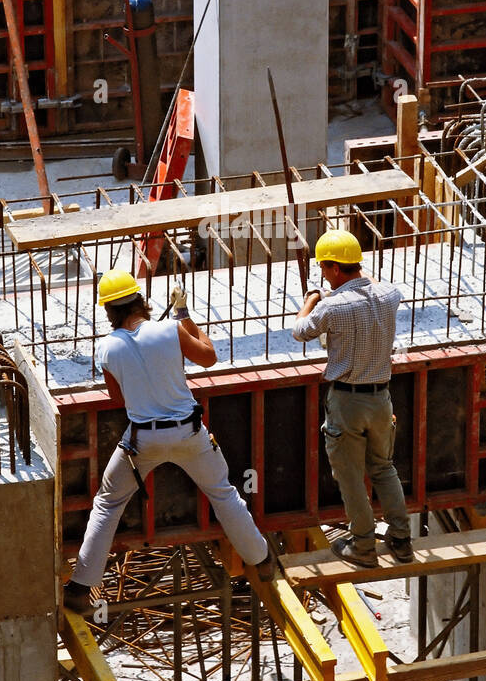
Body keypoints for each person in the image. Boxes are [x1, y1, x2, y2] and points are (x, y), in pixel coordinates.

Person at [64, 271, 274, 611]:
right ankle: (261, 559)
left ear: (109, 311)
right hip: (189, 433)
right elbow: (209, 356)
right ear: (139, 301)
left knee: (107, 504)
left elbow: (119, 399)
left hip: (141, 440)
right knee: (223, 493)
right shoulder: (169, 330)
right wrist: (184, 317)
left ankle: (80, 587)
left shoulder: (105, 348)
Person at [291, 229, 413, 567]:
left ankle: (363, 546)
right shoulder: (388, 294)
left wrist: (310, 300)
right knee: (383, 468)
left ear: (332, 268)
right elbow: (374, 285)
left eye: (323, 269)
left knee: (350, 476)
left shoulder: (332, 307)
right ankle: (401, 540)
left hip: (347, 402)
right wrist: (355, 280)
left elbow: (300, 332)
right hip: (381, 400)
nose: (323, 275)